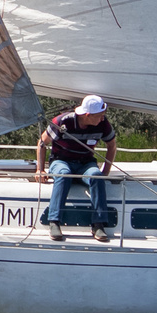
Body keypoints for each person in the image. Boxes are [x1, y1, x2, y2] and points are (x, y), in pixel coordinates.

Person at [38, 95, 118, 242]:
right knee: (64, 174)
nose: (102, 119)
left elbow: (111, 145)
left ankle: (98, 224)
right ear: (88, 115)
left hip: (85, 163)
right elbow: (42, 142)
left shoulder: (103, 124)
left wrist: (106, 171)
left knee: (96, 176)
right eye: (100, 116)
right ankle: (54, 221)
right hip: (61, 161)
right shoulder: (62, 121)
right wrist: (40, 169)